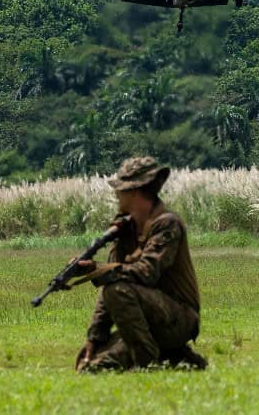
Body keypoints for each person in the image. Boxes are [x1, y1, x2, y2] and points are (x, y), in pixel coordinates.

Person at [75, 157, 206, 371]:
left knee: (118, 289)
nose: (117, 194)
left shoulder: (166, 224)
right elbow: (110, 284)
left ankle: (149, 363)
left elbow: (146, 272)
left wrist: (95, 270)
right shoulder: (126, 228)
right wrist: (94, 337)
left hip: (178, 318)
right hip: (150, 320)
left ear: (134, 191)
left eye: (121, 190)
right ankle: (176, 358)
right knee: (92, 365)